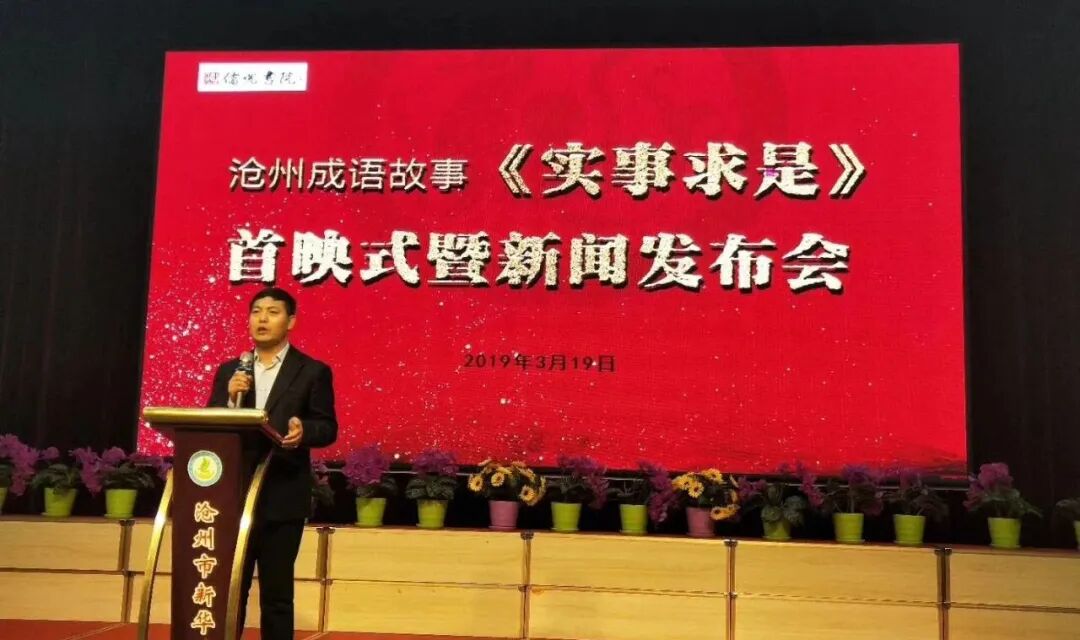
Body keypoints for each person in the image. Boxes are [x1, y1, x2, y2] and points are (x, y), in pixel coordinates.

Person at [207, 286, 337, 640]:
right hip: (232, 496)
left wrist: (304, 430)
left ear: (290, 321)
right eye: (256, 311)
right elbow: (209, 424)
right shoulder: (230, 371)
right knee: (230, 589)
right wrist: (229, 400)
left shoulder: (312, 371)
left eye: (273, 312)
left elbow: (327, 427)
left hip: (282, 495)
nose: (262, 319)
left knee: (277, 595)